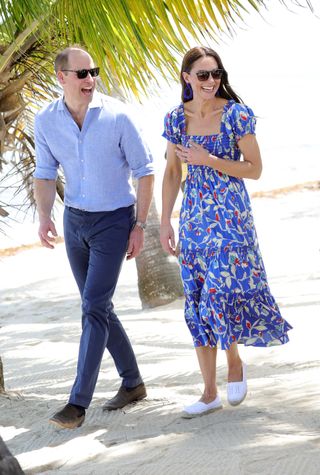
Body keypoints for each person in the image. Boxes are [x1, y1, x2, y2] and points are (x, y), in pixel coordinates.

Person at [160, 46, 292, 418]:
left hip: (232, 222)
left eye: (215, 74)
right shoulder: (175, 120)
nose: (211, 81)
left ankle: (234, 362)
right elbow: (172, 173)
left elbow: (255, 169)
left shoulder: (235, 115)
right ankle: (208, 393)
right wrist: (165, 220)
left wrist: (210, 160)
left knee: (218, 296)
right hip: (194, 222)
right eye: (202, 75)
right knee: (198, 303)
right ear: (186, 77)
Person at [34, 46, 154, 429]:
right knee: (98, 306)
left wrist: (139, 226)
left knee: (92, 308)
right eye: (81, 74)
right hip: (74, 223)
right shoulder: (46, 120)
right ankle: (133, 382)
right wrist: (43, 217)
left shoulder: (118, 116)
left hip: (114, 223)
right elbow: (45, 172)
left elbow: (145, 170)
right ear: (62, 77)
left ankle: (77, 404)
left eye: (93, 72)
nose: (90, 80)